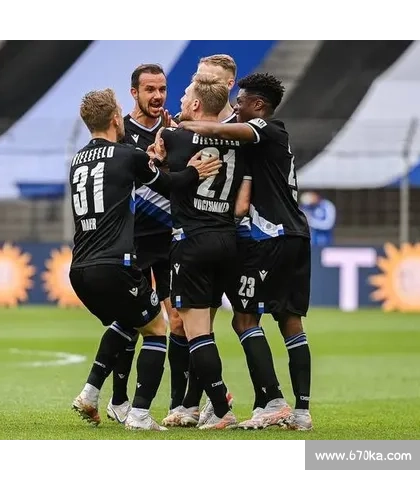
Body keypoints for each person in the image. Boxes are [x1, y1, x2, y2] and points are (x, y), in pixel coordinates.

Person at [69, 88, 222, 431]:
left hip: (79, 268)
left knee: (127, 322)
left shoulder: (77, 160)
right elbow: (168, 185)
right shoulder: (127, 155)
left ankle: (92, 393)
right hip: (115, 264)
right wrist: (194, 170)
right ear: (114, 119)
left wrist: (150, 159)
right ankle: (139, 414)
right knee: (156, 330)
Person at [179, 72, 313, 431]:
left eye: (240, 101)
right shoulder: (271, 141)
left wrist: (186, 125)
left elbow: (226, 132)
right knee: (290, 321)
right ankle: (301, 412)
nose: (235, 107)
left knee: (244, 319)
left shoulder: (267, 129)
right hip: (296, 234)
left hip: (270, 237)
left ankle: (272, 402)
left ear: (258, 105)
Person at [154, 73, 251, 429]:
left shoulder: (175, 137)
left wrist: (159, 155)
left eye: (185, 95)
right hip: (227, 240)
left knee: (197, 333)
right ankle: (196, 406)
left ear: (196, 104)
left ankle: (221, 409)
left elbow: (167, 182)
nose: (179, 100)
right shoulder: (239, 141)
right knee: (208, 327)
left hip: (192, 242)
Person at [105, 64, 187, 424]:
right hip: (133, 240)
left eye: (162, 89)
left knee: (179, 322)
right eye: (150, 89)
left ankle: (178, 406)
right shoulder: (121, 134)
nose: (157, 96)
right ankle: (119, 400)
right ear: (134, 93)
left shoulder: (175, 132)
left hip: (169, 240)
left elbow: (181, 181)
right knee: (133, 321)